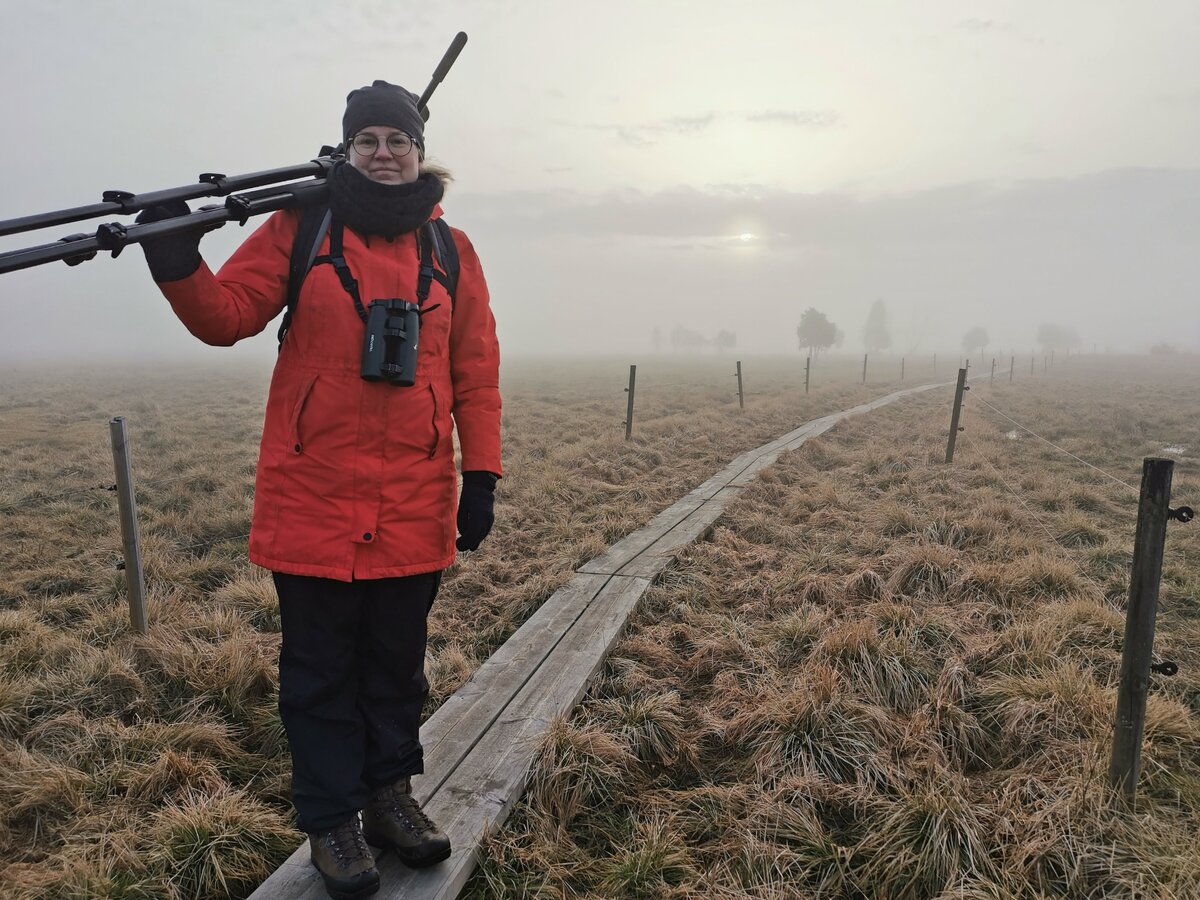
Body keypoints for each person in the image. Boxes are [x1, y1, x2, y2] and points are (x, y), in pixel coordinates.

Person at [137, 80, 502, 900]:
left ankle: (389, 797)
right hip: (312, 501)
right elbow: (225, 316)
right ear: (347, 149)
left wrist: (481, 473)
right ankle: (333, 819)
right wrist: (177, 259)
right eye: (367, 139)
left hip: (413, 503)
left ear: (420, 152)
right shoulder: (301, 227)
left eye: (397, 140)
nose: (383, 153)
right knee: (319, 672)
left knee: (397, 667)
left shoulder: (451, 250)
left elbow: (476, 373)